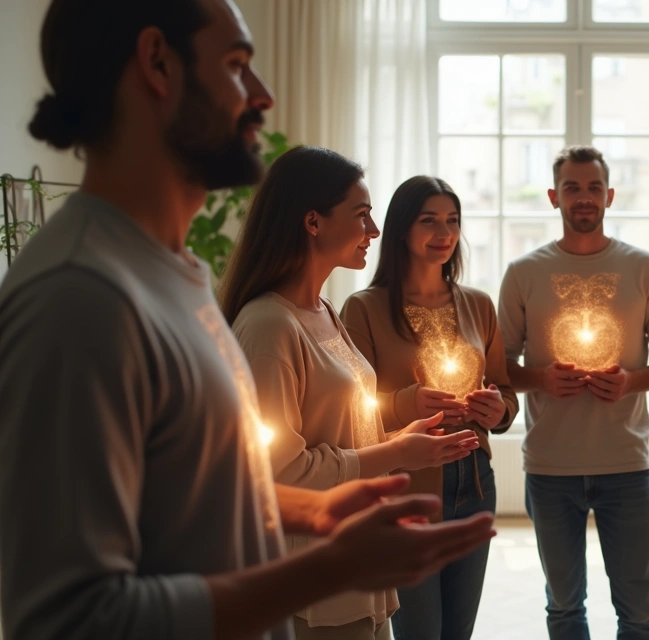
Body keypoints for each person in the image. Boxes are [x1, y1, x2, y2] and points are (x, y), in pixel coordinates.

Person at [0, 1, 494, 638]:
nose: (261, 96)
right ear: (157, 64)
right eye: (236, 67)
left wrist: (308, 511)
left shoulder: (174, 275)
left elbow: (191, 492)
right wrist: (324, 567)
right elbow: (65, 616)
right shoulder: (79, 296)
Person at [220, 148, 484, 639]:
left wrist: (399, 436)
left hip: (356, 561)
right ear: (313, 221)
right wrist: (395, 451)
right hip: (313, 575)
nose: (374, 231)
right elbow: (280, 471)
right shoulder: (269, 325)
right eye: (362, 216)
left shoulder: (322, 310)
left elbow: (342, 431)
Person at [497, 145, 649, 640]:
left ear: (610, 195)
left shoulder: (644, 269)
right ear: (553, 197)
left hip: (625, 461)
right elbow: (497, 368)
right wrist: (540, 379)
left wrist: (631, 382)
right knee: (562, 606)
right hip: (549, 465)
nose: (584, 197)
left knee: (640, 608)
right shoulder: (523, 273)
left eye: (594, 188)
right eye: (573, 188)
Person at [341, 175, 519, 640]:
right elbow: (348, 412)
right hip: (406, 488)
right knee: (421, 630)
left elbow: (505, 391)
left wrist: (496, 411)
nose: (444, 233)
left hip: (476, 481)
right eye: (429, 220)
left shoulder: (478, 304)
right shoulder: (364, 309)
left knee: (458, 631)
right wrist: (406, 403)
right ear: (401, 228)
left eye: (452, 221)